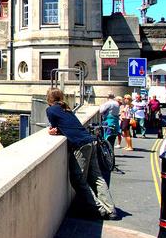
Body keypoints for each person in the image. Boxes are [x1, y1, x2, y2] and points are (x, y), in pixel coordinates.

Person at [46, 88, 118, 220]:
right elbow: (68, 126)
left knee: (78, 180)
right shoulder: (66, 108)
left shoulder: (51, 110)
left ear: (49, 99)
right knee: (97, 177)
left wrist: (53, 131)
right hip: (90, 141)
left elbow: (54, 127)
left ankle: (99, 209)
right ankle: (110, 209)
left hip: (80, 145)